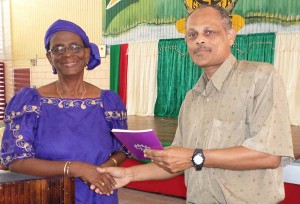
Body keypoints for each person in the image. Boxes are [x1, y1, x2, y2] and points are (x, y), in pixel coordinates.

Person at [96, 5, 295, 203]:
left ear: (231, 36)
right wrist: (130, 175)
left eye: (209, 32)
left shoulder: (259, 78)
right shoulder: (192, 98)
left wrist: (195, 156)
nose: (199, 40)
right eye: (192, 35)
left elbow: (269, 155)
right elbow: (179, 160)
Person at [0, 19, 127, 204]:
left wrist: (99, 172)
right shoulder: (30, 102)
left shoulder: (108, 102)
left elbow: (122, 149)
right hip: (47, 195)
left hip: (98, 192)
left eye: (75, 47)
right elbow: (16, 160)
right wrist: (76, 168)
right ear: (50, 57)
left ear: (86, 53)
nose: (67, 53)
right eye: (58, 49)